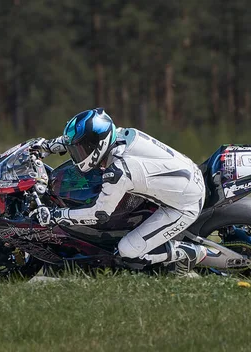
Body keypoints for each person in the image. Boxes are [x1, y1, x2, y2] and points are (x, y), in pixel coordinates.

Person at [32, 108, 208, 275]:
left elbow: (99, 214)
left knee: (129, 251)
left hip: (184, 205)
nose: (77, 154)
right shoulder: (119, 135)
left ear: (97, 146)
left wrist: (56, 215)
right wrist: (47, 146)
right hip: (186, 175)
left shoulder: (119, 172)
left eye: (81, 150)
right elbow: (79, 139)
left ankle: (192, 253)